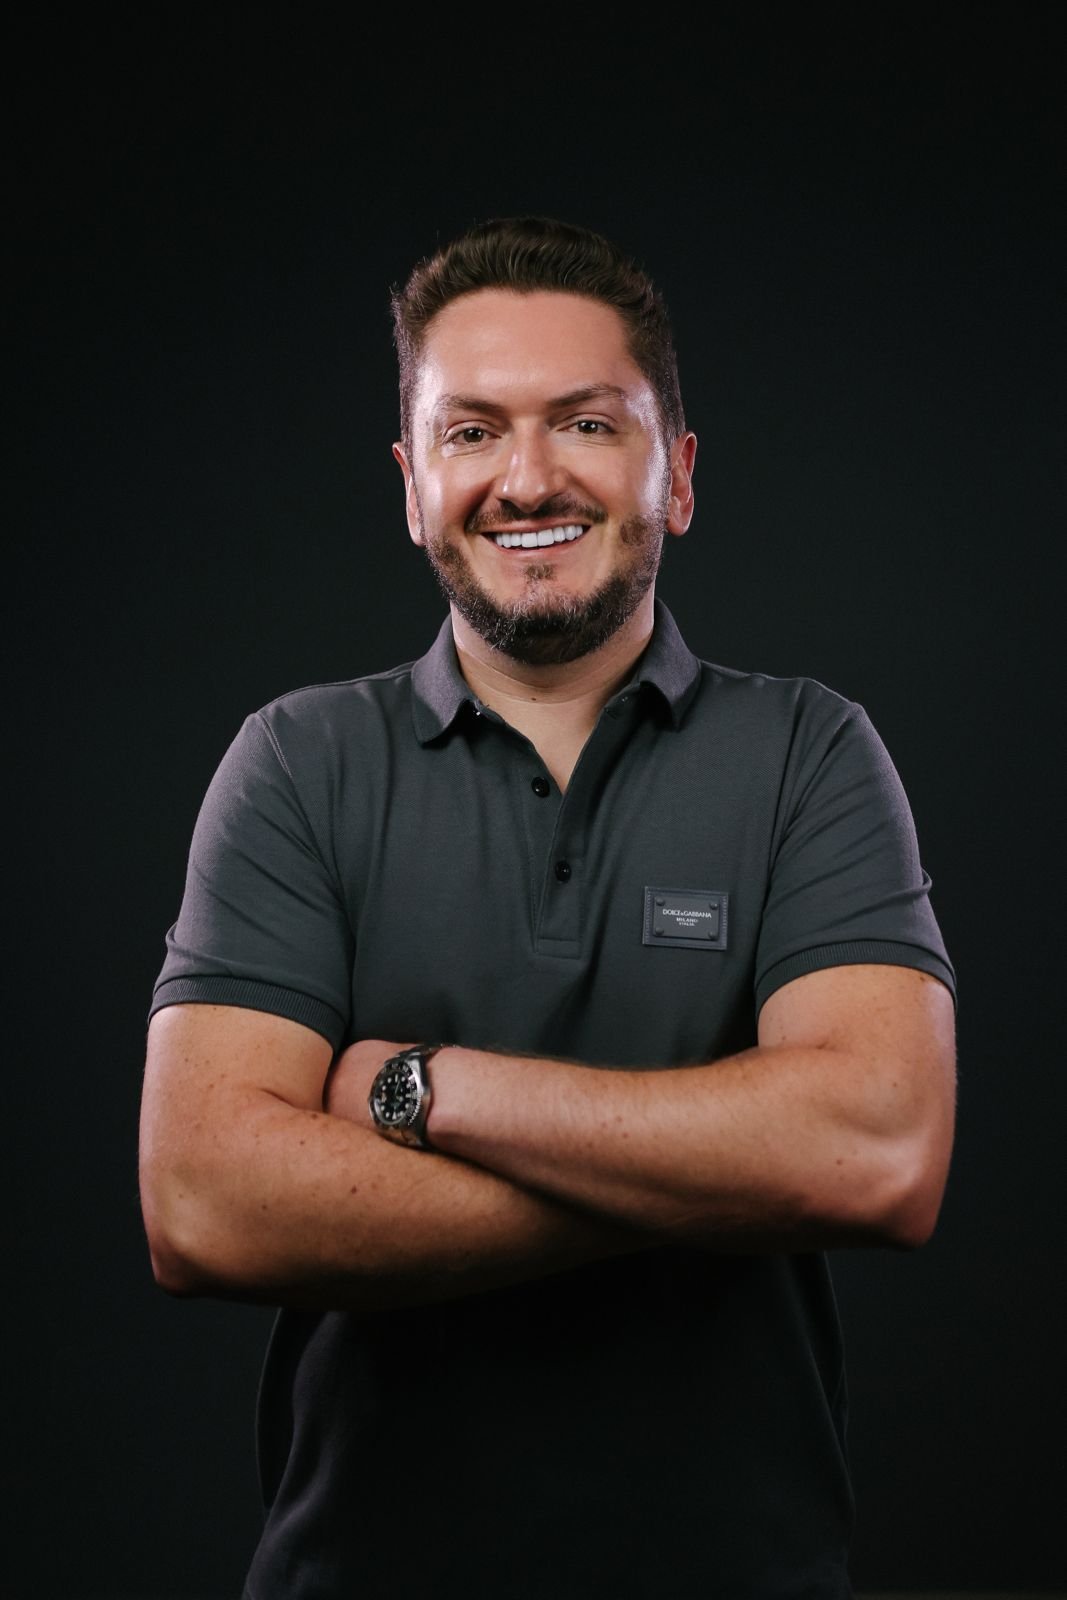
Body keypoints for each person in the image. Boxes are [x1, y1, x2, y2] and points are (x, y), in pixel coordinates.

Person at [139, 215, 957, 1599]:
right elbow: (206, 1206)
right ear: (413, 487)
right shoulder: (297, 762)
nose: (526, 480)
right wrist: (726, 1167)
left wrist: (426, 1089)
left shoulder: (809, 752)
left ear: (676, 474)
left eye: (586, 423)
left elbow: (875, 1154)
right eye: (472, 433)